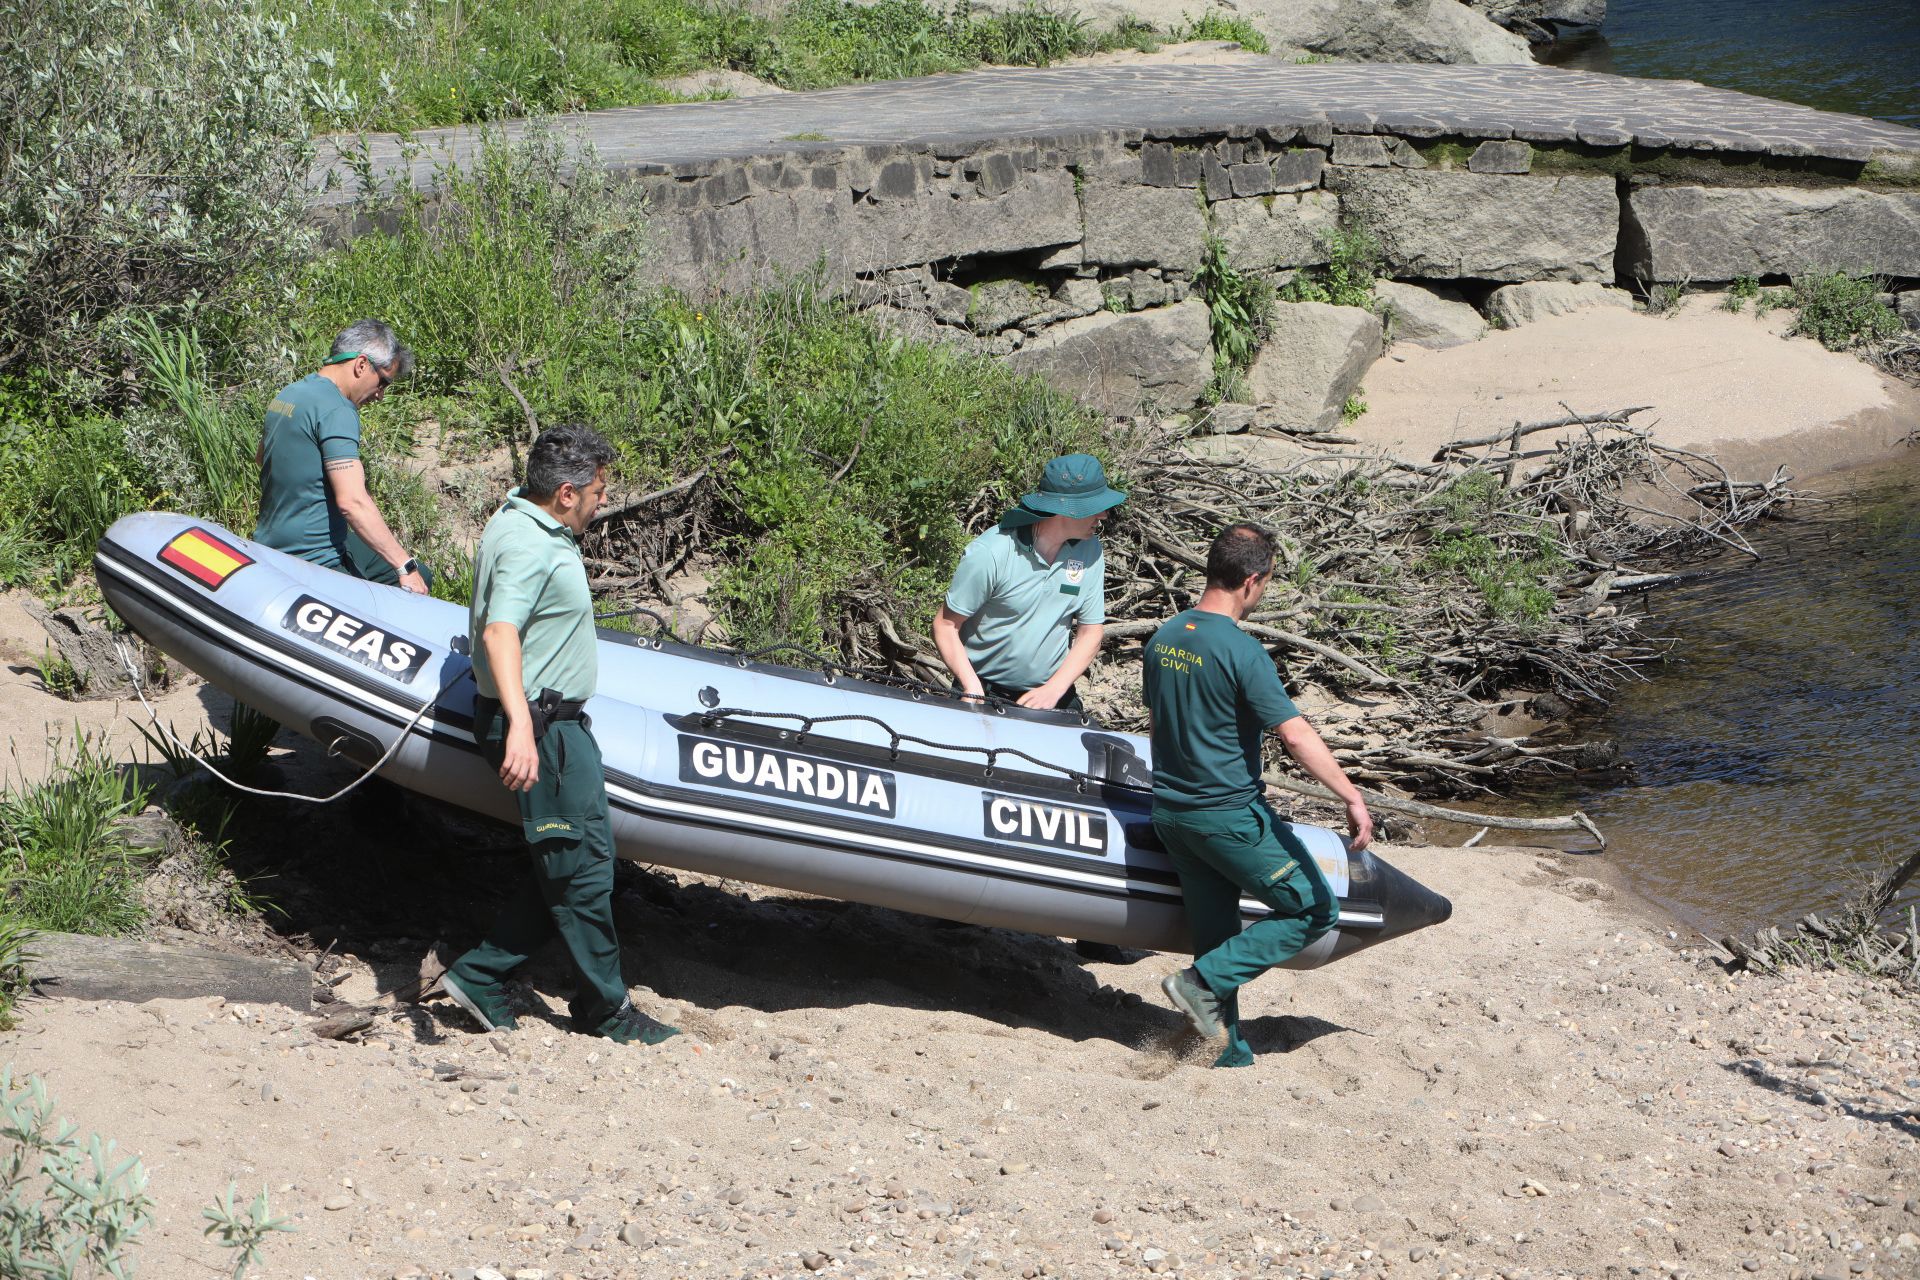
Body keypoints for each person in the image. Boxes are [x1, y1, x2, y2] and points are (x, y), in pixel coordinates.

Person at [439, 425, 681, 1046]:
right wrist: (522, 726)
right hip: (541, 728)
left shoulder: (527, 523)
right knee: (580, 873)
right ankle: (603, 1009)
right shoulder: (527, 543)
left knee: (580, 862)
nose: (604, 500)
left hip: (562, 726)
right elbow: (498, 634)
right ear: (568, 492)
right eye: (600, 490)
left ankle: (480, 975)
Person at [1142, 523, 1374, 1068]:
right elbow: (1294, 734)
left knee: (1217, 932)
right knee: (1313, 909)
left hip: (1173, 814)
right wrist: (1350, 796)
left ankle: (1227, 1049)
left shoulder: (1164, 637)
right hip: (1227, 816)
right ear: (1251, 580)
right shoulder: (1242, 653)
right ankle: (1199, 985)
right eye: (1267, 581)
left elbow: (1158, 724)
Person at [933, 453, 1126, 713]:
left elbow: (1091, 632)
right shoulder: (992, 552)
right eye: (1095, 506)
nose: (1103, 515)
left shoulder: (1090, 550)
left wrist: (1054, 689)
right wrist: (971, 687)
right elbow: (945, 625)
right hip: (984, 688)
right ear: (1064, 509)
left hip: (1052, 691)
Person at [254, 319, 430, 594]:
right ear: (361, 365)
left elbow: (261, 458)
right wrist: (405, 567)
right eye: (383, 382)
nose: (380, 395)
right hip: (314, 556)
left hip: (270, 539)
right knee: (416, 578)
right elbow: (352, 502)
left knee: (405, 567)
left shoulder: (289, 394)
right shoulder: (338, 410)